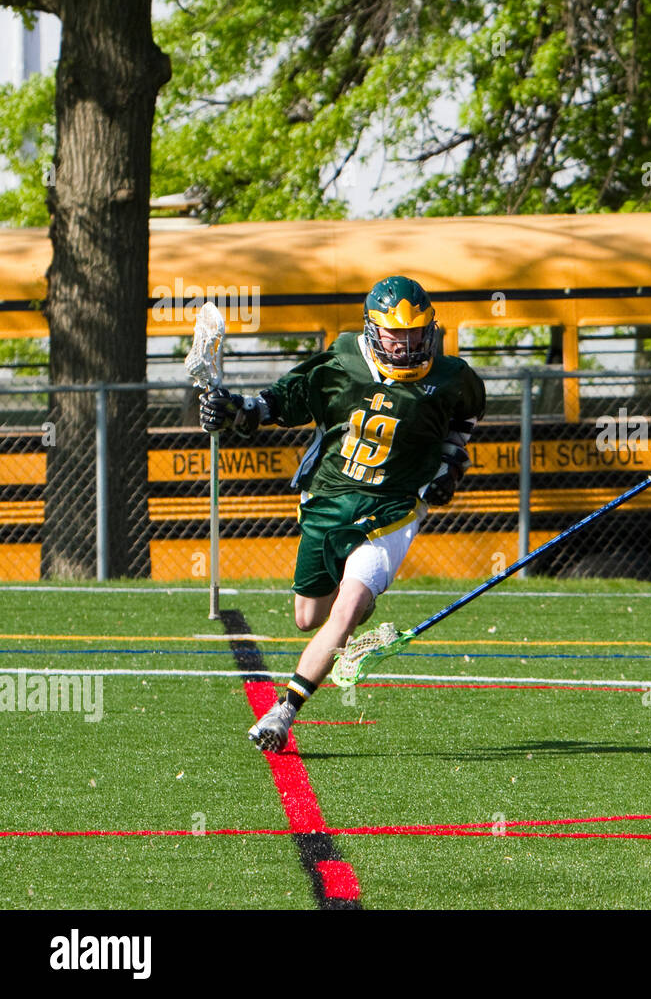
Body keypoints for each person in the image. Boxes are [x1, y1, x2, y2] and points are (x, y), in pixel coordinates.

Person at [200, 276, 486, 752]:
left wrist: (451, 459)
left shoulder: (453, 377)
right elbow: (281, 400)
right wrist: (235, 410)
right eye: (398, 334)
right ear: (374, 329)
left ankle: (283, 712)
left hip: (393, 506)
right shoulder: (343, 358)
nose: (409, 343)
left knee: (348, 606)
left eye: (417, 333)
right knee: (309, 616)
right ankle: (353, 611)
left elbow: (467, 414)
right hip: (329, 496)